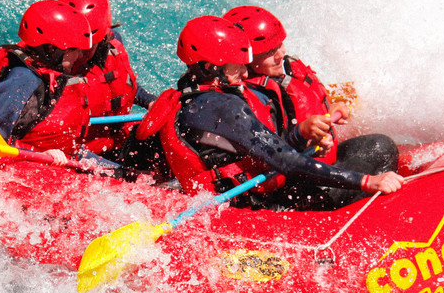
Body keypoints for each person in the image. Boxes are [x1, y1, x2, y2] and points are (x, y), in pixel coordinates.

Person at [133, 15, 403, 208]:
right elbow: (286, 161)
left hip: (266, 187)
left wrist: (299, 135)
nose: (244, 69)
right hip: (260, 204)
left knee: (376, 147)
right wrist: (369, 181)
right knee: (379, 149)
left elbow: (264, 147)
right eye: (236, 64)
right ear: (210, 68)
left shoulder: (198, 94)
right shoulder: (221, 107)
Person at [224, 5, 399, 201]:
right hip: (293, 188)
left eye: (280, 44)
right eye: (269, 51)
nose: (280, 54)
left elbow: (301, 106)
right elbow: (275, 158)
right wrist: (302, 135)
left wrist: (329, 109)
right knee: (382, 149)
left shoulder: (283, 69)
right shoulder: (241, 101)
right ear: (244, 59)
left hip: (316, 166)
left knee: (380, 145)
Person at [0, 0, 98, 165]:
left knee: (124, 173)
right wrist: (42, 154)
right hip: (24, 161)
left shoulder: (42, 73)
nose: (78, 57)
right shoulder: (23, 79)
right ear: (50, 49)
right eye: (73, 51)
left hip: (51, 154)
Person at [57, 0, 156, 154]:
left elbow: (123, 83)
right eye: (74, 45)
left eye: (88, 45)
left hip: (115, 143)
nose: (80, 54)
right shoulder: (50, 60)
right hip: (74, 153)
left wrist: (150, 101)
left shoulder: (111, 45)